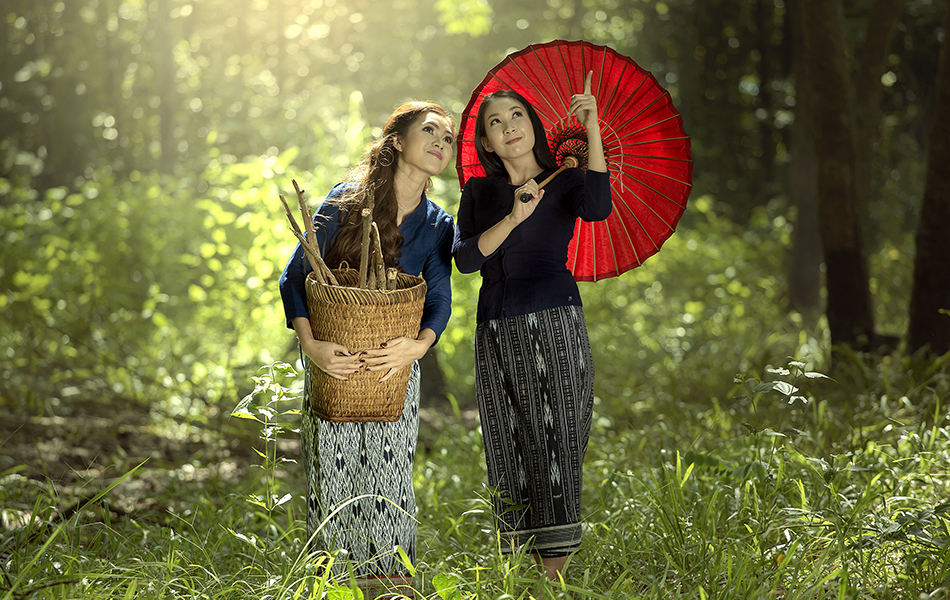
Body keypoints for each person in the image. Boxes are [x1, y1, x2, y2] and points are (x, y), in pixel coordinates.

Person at [279, 101, 456, 600]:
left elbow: (440, 296)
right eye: (430, 131)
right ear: (397, 141)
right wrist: (311, 347)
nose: (443, 141)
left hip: (395, 364)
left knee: (391, 475)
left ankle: (391, 589)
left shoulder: (439, 223)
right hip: (331, 359)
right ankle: (334, 586)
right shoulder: (344, 200)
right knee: (333, 474)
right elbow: (295, 276)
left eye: (449, 136)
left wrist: (416, 349)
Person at [452, 74, 611, 583]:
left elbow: (600, 207)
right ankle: (517, 567)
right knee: (508, 438)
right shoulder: (479, 191)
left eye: (516, 115)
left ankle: (554, 575)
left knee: (560, 434)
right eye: (495, 123)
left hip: (556, 319)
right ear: (487, 142)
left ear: (533, 123)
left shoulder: (566, 180)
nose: (508, 127)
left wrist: (593, 133)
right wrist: (516, 217)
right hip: (496, 326)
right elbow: (467, 259)